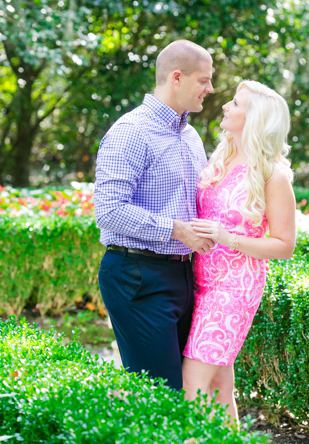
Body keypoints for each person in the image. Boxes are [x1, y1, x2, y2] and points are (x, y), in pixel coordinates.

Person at [94, 39, 214, 390]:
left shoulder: (191, 136)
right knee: (161, 396)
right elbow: (109, 211)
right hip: (138, 276)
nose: (210, 88)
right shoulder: (131, 132)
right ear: (177, 77)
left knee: (190, 391)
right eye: (203, 80)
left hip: (183, 275)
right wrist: (177, 230)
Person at [182, 80, 296, 425]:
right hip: (199, 280)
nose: (226, 107)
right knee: (218, 384)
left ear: (255, 118)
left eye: (235, 103)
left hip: (234, 289)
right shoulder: (221, 159)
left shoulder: (273, 175)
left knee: (193, 381)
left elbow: (284, 245)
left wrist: (226, 238)